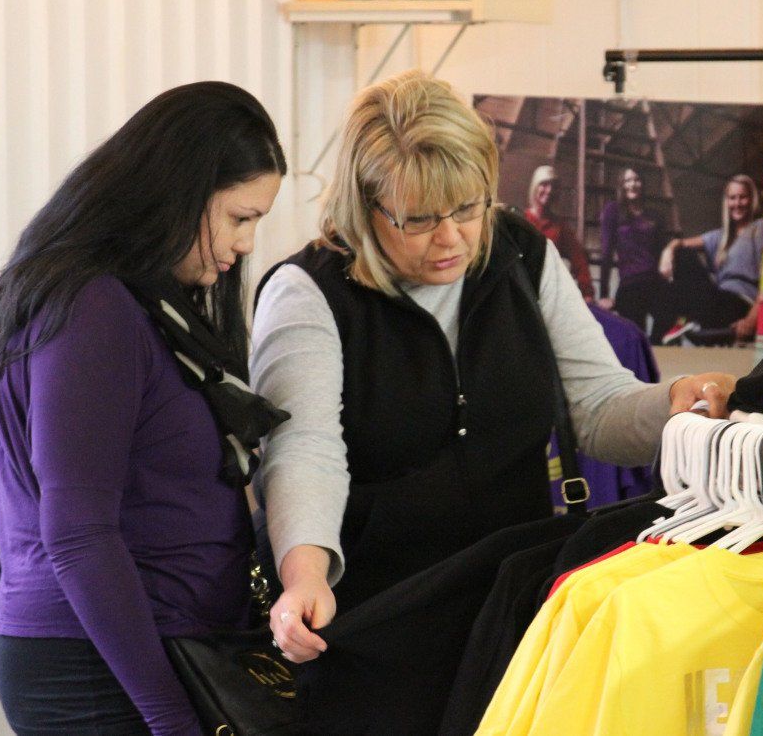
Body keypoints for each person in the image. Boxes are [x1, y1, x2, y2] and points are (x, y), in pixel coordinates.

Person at [250, 69, 735, 675]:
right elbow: (304, 453)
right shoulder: (308, 293)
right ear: (364, 207)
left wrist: (676, 403)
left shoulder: (520, 253)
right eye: (419, 219)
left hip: (514, 605)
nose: (451, 237)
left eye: (467, 207)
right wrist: (305, 577)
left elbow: (600, 408)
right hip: (374, 618)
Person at [0, 82, 285, 735]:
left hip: (142, 659)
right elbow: (78, 533)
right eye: (239, 217)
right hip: (100, 674)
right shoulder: (93, 308)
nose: (247, 243)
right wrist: (169, 717)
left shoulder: (134, 301)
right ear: (179, 193)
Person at [657, 173, 763, 344]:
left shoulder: (760, 228)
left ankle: (690, 322)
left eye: (742, 197)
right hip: (718, 302)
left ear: (752, 199)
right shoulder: (720, 237)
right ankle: (684, 323)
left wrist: (751, 320)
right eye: (732, 198)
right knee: (681, 254)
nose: (737, 203)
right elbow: (680, 244)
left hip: (742, 304)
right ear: (726, 202)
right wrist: (668, 251)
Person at [598, 167, 672, 341]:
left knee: (670, 316)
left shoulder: (655, 215)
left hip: (654, 281)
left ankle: (655, 348)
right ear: (622, 186)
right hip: (630, 285)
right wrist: (603, 294)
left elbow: (664, 251)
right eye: (627, 180)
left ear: (642, 184)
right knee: (635, 335)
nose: (632, 184)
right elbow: (606, 253)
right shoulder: (613, 210)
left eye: (636, 179)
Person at [523, 165, 594, 300]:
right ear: (535, 186)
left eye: (554, 186)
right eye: (544, 184)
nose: (549, 190)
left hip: (548, 295)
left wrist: (587, 293)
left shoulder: (560, 226)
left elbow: (579, 259)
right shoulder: (520, 220)